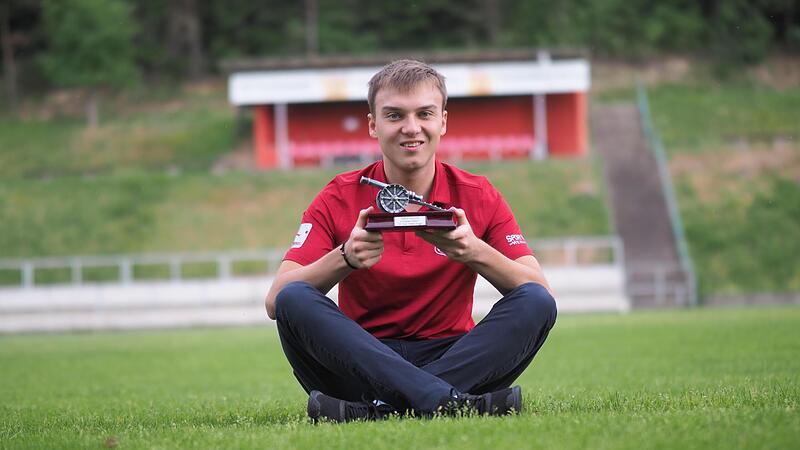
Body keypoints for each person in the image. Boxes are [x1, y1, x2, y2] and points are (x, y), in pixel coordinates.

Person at [265, 59, 557, 423]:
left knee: (535, 303)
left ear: (443, 121)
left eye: (424, 114)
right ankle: (448, 402)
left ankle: (380, 411)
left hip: (454, 359)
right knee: (296, 298)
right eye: (394, 116)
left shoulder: (478, 193)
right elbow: (278, 299)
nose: (411, 128)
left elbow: (538, 291)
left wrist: (474, 251)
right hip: (361, 361)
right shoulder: (338, 195)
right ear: (373, 125)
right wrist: (345, 258)